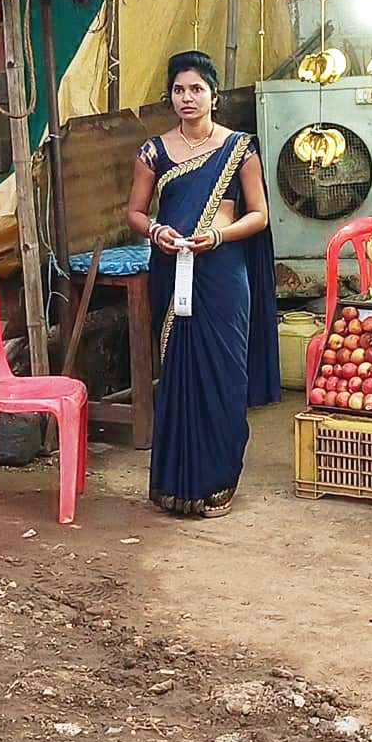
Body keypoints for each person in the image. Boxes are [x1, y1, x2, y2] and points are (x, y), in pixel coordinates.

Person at [125, 51, 280, 517]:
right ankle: (176, 483)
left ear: (214, 95)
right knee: (178, 375)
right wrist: (156, 232)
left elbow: (259, 214)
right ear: (170, 96)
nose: (187, 98)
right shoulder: (153, 152)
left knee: (225, 374)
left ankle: (218, 480)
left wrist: (217, 235)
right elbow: (134, 211)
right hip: (172, 272)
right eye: (179, 90)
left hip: (224, 274)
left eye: (196, 89)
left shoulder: (240, 149)